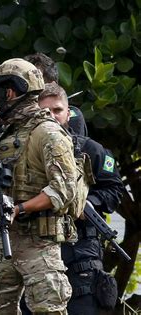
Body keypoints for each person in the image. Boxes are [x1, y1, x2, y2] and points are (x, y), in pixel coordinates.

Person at [0, 58, 76, 314]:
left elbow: (64, 189)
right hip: (0, 238)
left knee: (47, 310)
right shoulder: (5, 135)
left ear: (10, 91)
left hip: (38, 240)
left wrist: (20, 208)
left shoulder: (47, 133)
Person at [38, 82, 124, 314]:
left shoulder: (91, 149)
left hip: (81, 249)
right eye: (46, 111)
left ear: (68, 112)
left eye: (57, 110)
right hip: (36, 247)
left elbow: (115, 190)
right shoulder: (25, 149)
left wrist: (89, 205)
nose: (52, 117)